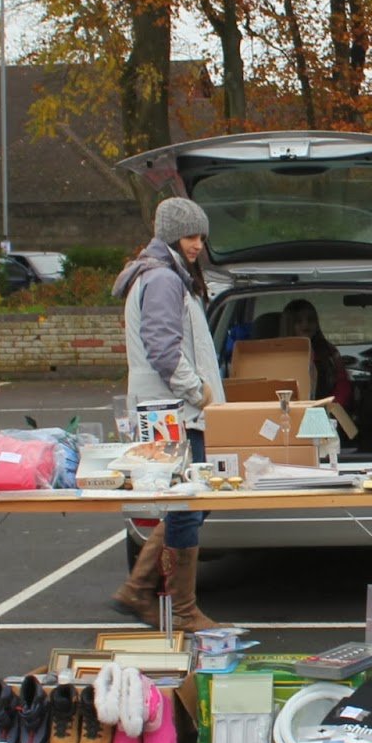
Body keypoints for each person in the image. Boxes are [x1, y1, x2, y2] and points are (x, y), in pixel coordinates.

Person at [109, 197, 225, 632]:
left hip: (172, 410)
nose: (198, 245)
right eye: (191, 236)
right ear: (172, 235)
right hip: (176, 412)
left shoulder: (163, 274)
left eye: (201, 237)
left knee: (188, 502)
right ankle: (180, 608)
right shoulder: (162, 279)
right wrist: (198, 391)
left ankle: (140, 587)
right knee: (189, 503)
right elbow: (164, 350)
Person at [281, 298, 352, 406]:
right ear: (288, 325)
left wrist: (331, 406)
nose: (305, 324)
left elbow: (342, 383)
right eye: (298, 321)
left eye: (311, 320)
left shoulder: (329, 351)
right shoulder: (279, 354)